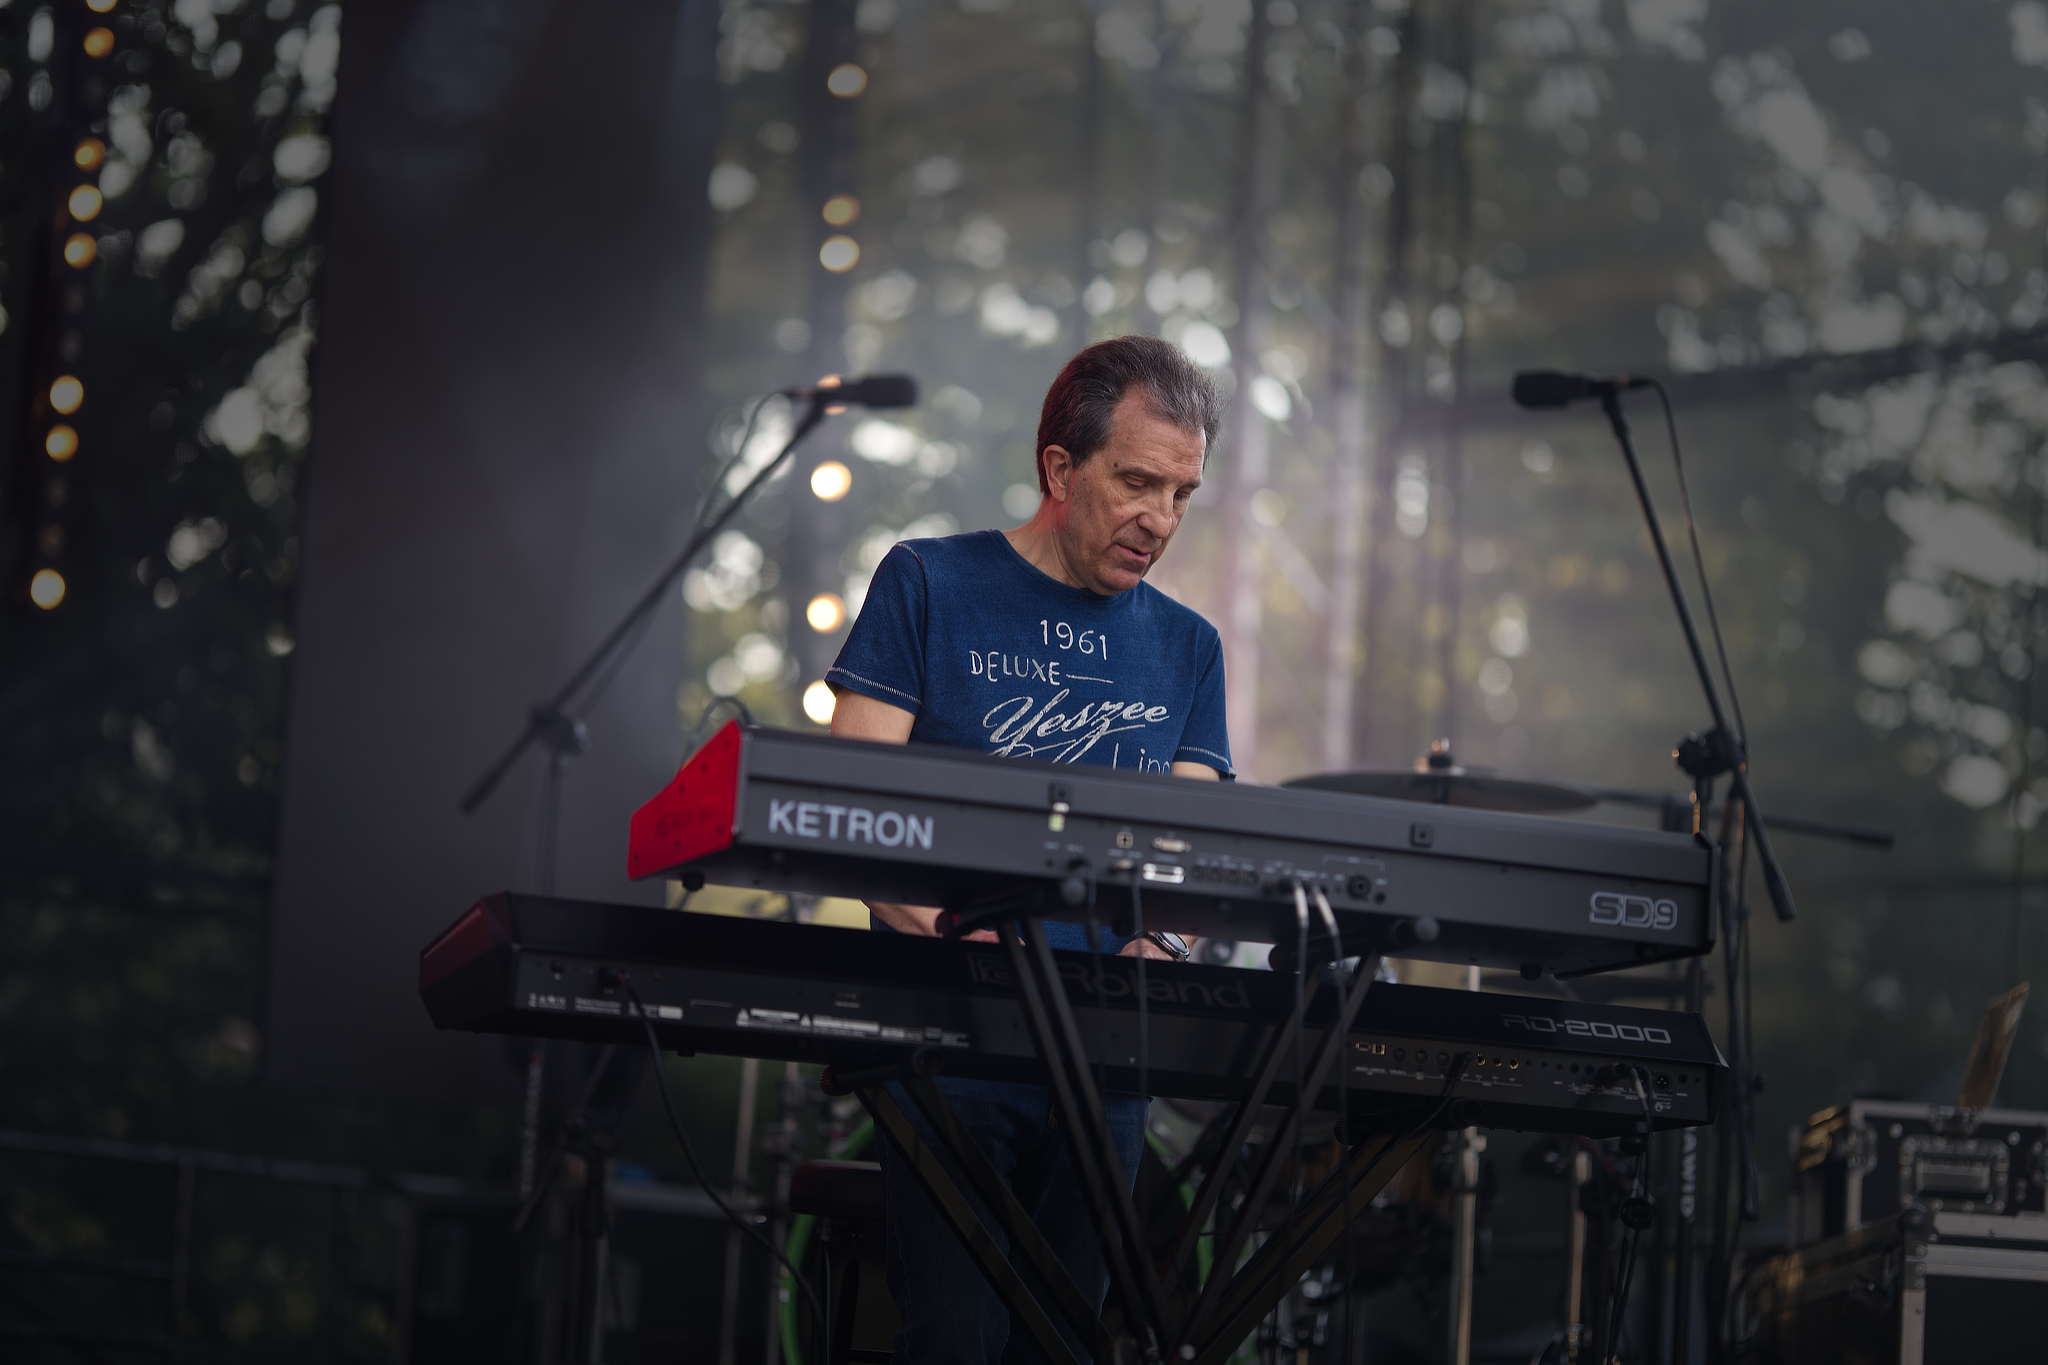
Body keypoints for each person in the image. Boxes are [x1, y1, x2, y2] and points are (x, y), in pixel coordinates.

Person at [825, 334, 1232, 1363]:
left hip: (1108, 1056)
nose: (1160, 518)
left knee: (1066, 1341)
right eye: (1136, 482)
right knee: (952, 1339)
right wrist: (962, 942)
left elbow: (1191, 860)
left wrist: (1164, 947)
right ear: (1060, 468)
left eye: (1181, 493)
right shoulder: (927, 581)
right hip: (947, 1037)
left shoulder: (1190, 648)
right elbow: (849, 816)